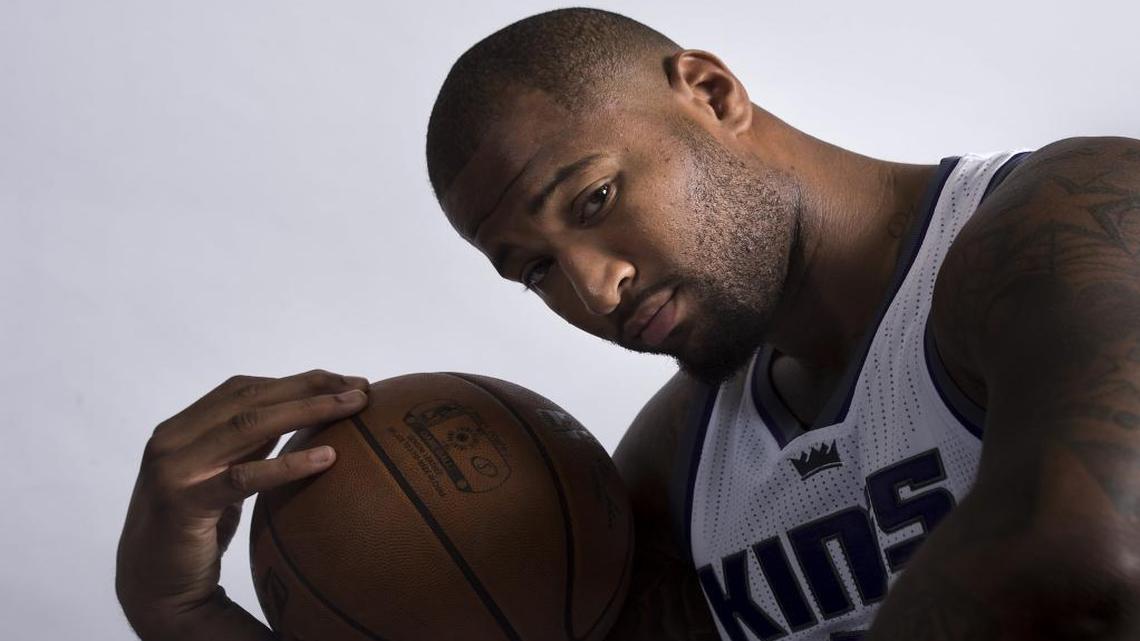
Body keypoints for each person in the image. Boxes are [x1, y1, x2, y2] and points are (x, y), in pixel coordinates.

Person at [115, 7, 1140, 641]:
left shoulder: (1069, 221)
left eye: (594, 201)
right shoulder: (674, 475)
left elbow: (1087, 562)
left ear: (710, 92)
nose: (593, 287)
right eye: (532, 270)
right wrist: (183, 616)